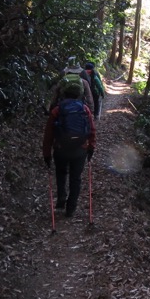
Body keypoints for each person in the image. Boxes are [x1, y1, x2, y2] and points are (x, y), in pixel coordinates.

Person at [43, 81, 97, 217]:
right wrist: (91, 148)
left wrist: (46, 154)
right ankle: (71, 207)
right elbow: (92, 130)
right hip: (80, 149)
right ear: (79, 94)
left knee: (61, 174)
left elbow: (48, 134)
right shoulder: (85, 109)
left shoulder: (57, 110)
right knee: (76, 178)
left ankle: (61, 196)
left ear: (64, 93)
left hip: (61, 149)